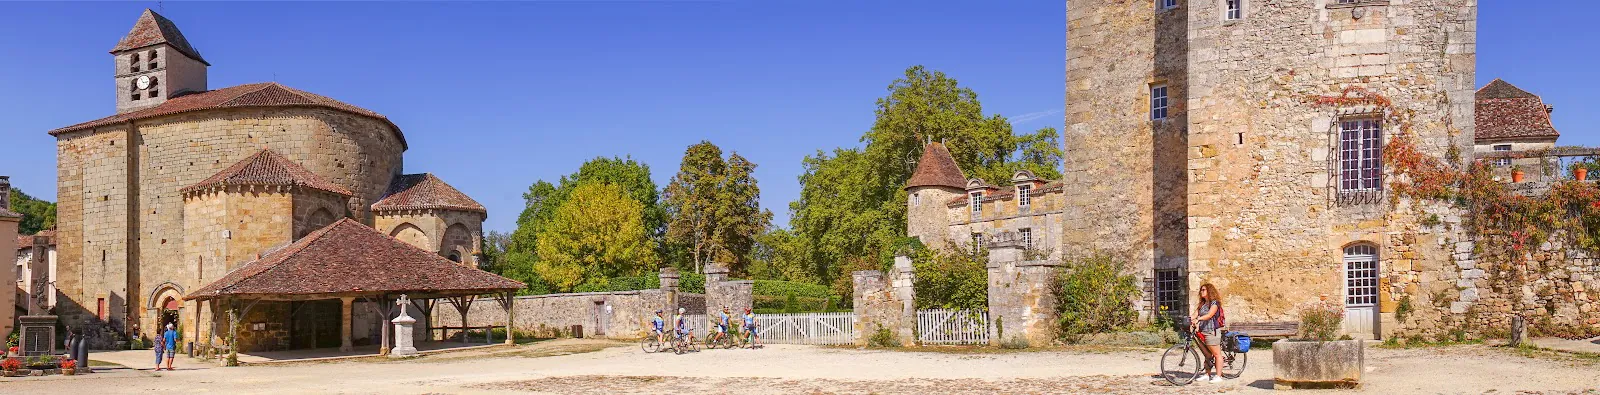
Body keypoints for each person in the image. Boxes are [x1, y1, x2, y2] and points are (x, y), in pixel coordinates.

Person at [1190, 283, 1226, 383]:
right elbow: (1194, 314)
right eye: (1201, 290)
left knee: (1216, 354)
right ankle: (1207, 374)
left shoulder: (1214, 303)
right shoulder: (1202, 304)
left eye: (1204, 290)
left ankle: (1218, 376)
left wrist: (1198, 319)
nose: (1201, 292)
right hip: (1202, 331)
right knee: (1207, 355)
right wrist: (1188, 319)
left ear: (1209, 291)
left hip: (1211, 331)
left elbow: (1209, 315)